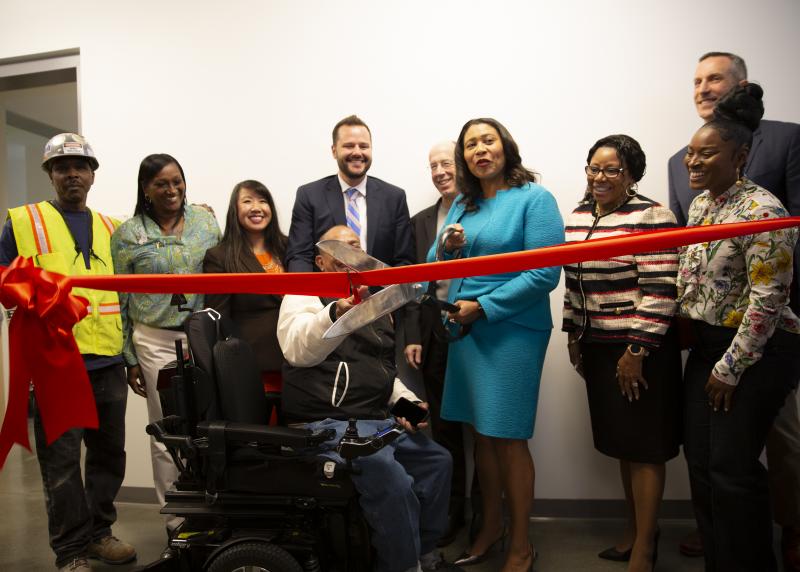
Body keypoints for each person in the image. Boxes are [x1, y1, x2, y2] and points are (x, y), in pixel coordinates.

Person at [668, 52, 800, 569]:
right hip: (707, 344)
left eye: (707, 156)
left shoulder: (761, 210)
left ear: (740, 157)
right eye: (691, 157)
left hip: (757, 350)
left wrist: (730, 366)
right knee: (700, 462)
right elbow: (694, 276)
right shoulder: (702, 207)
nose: (693, 163)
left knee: (732, 467)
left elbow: (769, 298)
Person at [277, 225, 460, 572]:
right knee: (390, 476)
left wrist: (406, 403)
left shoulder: (377, 305)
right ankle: (402, 566)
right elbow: (298, 351)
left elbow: (380, 372)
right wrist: (336, 313)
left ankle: (424, 553)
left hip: (372, 420)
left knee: (438, 462)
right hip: (325, 421)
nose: (351, 257)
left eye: (356, 248)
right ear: (320, 261)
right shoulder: (303, 294)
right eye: (341, 251)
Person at [430, 118, 563, 572]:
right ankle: (489, 530)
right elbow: (431, 266)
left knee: (508, 438)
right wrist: (446, 246)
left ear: (506, 146)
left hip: (511, 329)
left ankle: (522, 545)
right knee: (481, 436)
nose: (480, 150)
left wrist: (483, 307)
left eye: (488, 141)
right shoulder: (462, 204)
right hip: (465, 331)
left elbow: (544, 274)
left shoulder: (534, 199)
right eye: (471, 145)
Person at [0, 133, 135, 571]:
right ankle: (71, 550)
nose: (72, 174)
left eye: (80, 166)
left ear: (93, 175)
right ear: (51, 175)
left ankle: (100, 533)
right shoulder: (23, 222)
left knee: (108, 455)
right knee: (60, 464)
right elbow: (4, 283)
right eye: (62, 167)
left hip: (108, 360)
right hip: (56, 363)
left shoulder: (114, 229)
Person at [563, 134, 681, 572]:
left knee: (646, 446)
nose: (600, 177)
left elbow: (662, 291)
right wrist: (573, 334)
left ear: (632, 174)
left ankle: (646, 549)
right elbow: (571, 283)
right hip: (598, 346)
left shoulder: (652, 215)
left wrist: (636, 350)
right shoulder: (577, 216)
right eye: (594, 168)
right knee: (623, 445)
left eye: (612, 170)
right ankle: (634, 534)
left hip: (640, 350)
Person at [111, 154, 221, 534]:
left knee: (208, 425)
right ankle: (177, 523)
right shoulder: (127, 235)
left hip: (201, 336)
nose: (172, 190)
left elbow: (221, 273)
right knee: (167, 429)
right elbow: (121, 300)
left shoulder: (206, 222)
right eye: (161, 184)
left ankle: (211, 513)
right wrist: (129, 358)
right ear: (146, 189)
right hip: (155, 340)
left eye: (177, 181)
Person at [402, 140, 477, 546]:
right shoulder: (420, 221)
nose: (439, 172)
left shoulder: (485, 208)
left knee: (484, 432)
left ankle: (486, 513)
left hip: (479, 331)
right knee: (445, 431)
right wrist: (413, 335)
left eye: (445, 163)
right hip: (433, 336)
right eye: (432, 166)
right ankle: (452, 514)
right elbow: (414, 282)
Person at [285, 114, 414, 272]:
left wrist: (383, 297)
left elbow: (404, 260)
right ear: (334, 151)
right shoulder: (309, 195)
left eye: (364, 146)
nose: (357, 152)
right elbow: (300, 257)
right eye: (349, 146)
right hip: (327, 295)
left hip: (379, 294)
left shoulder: (394, 198)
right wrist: (312, 297)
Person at [203, 180, 286, 422]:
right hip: (252, 367)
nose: (256, 207)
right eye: (247, 201)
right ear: (235, 210)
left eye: (262, 201)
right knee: (257, 442)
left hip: (296, 362)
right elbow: (218, 318)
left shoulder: (290, 248)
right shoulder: (220, 257)